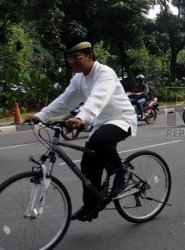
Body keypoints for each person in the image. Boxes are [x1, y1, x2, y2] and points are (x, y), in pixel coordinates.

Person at [25, 40, 138, 222]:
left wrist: (80, 118)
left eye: (77, 57)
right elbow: (65, 101)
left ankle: (121, 171)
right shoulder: (78, 79)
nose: (73, 62)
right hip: (100, 122)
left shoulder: (105, 73)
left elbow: (98, 98)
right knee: (88, 165)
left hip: (121, 118)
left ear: (90, 56)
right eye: (70, 58)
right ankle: (90, 207)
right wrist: (41, 116)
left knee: (99, 141)